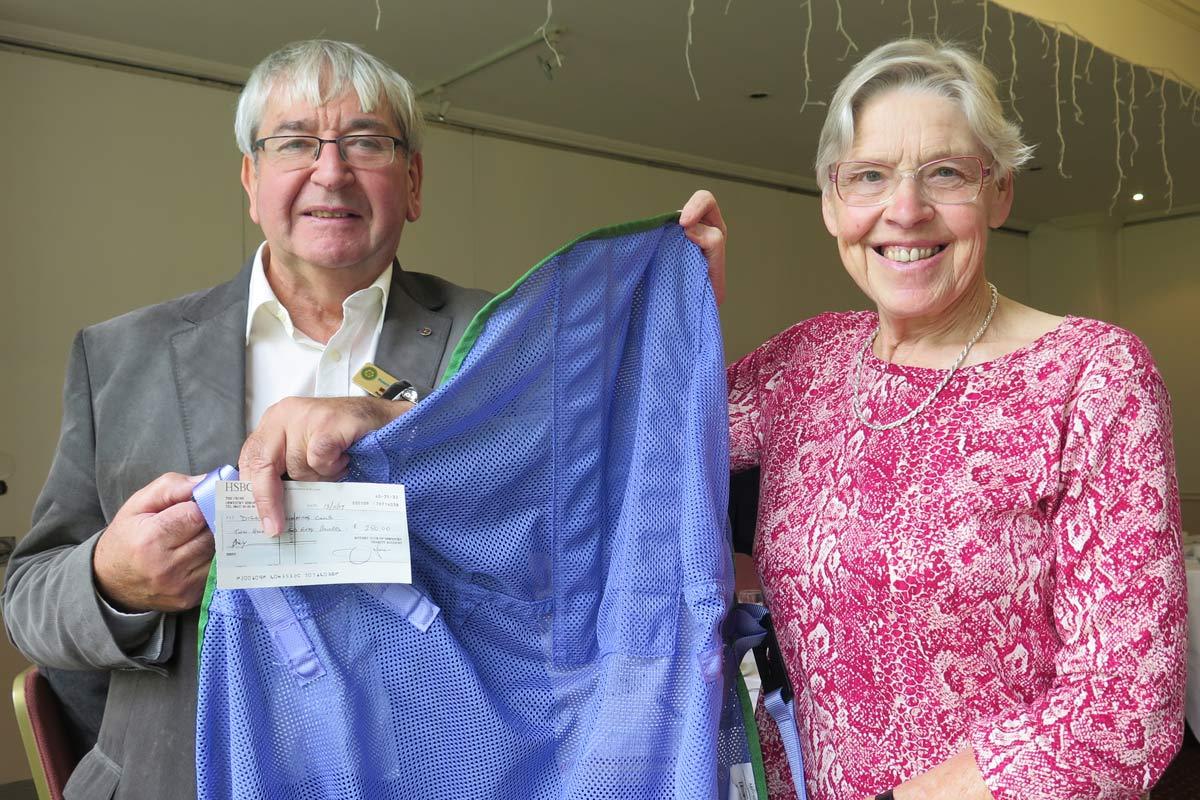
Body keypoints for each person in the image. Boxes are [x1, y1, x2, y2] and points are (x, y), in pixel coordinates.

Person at [1, 39, 727, 800]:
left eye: (366, 143)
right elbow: (29, 600)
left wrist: (676, 308)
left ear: (412, 182)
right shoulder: (121, 356)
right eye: (295, 144)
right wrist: (112, 580)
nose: (330, 170)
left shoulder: (515, 347)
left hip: (447, 774)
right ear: (251, 181)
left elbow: (597, 546)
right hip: (173, 778)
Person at [723, 39, 1185, 800]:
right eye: (869, 176)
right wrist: (679, 300)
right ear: (833, 203)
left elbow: (1125, 707)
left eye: (944, 173)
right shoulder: (802, 365)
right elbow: (625, 451)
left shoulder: (1092, 377)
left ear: (999, 193)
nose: (904, 210)